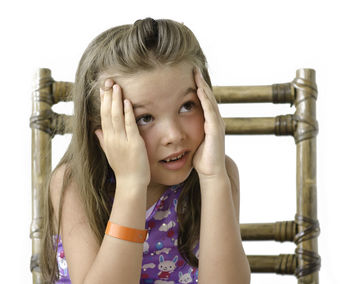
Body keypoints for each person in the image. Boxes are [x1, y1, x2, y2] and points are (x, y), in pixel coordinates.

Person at [40, 17, 251, 284]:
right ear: (101, 127)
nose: (174, 135)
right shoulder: (75, 184)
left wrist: (213, 178)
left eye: (187, 105)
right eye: (144, 118)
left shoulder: (218, 173)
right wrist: (131, 184)